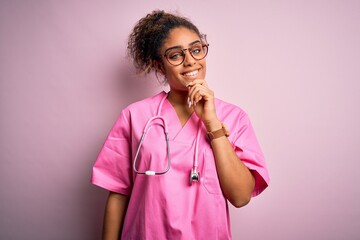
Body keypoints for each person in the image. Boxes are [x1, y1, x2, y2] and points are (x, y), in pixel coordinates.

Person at [91, 10, 269, 240]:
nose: (190, 60)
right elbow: (118, 193)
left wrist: (212, 123)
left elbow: (241, 197)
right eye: (175, 55)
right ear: (158, 66)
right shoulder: (135, 116)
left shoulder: (234, 117)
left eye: (196, 50)